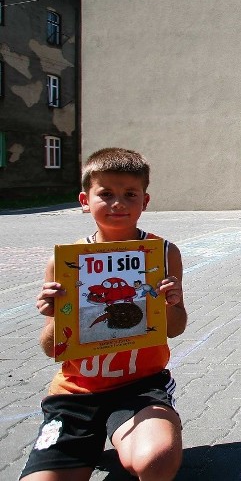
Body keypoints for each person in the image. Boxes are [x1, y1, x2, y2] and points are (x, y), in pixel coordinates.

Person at [22, 148, 187, 480]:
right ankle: (90, 439)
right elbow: (49, 347)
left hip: (140, 387)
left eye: (130, 194)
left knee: (157, 460)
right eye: (106, 194)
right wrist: (54, 315)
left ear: (145, 200)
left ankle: (139, 430)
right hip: (76, 392)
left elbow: (175, 328)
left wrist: (171, 304)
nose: (118, 203)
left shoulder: (163, 254)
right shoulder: (66, 262)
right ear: (85, 200)